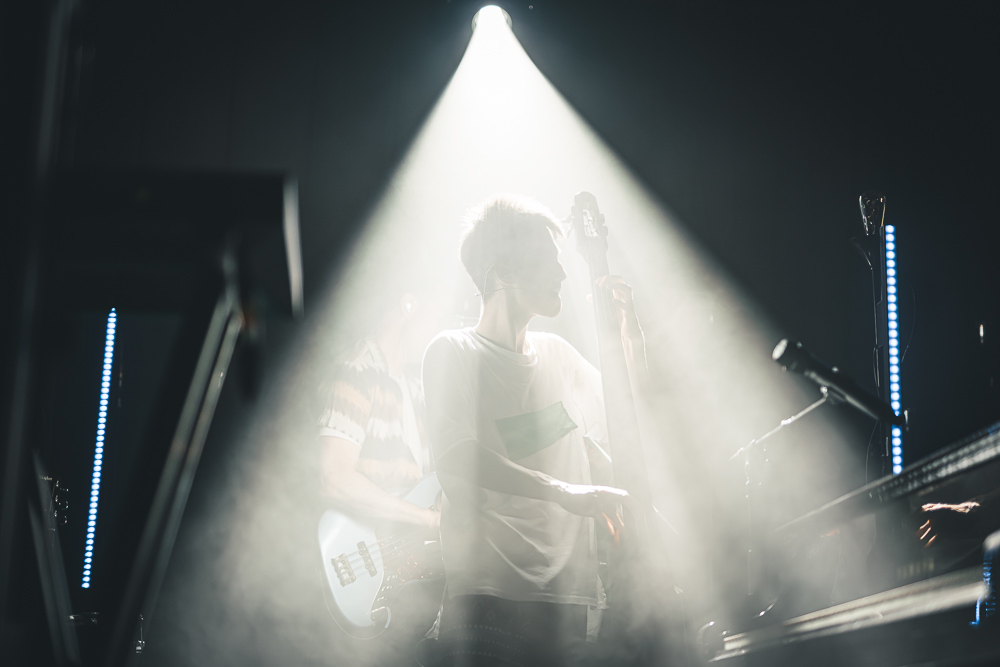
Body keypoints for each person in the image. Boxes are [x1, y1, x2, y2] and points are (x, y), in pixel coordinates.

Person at [420, 195, 644, 666]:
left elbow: (626, 419)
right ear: (503, 272)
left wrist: (629, 340)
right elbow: (456, 453)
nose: (562, 274)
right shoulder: (452, 351)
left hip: (569, 601)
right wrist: (563, 491)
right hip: (488, 600)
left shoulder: (558, 355)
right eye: (547, 260)